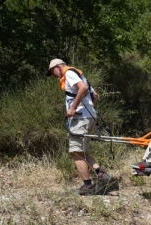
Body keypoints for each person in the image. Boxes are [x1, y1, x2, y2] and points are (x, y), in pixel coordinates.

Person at [46, 58, 111, 195]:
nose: (54, 75)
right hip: (88, 117)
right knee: (82, 152)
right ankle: (101, 173)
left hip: (80, 118)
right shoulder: (79, 74)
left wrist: (73, 108)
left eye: (52, 72)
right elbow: (95, 95)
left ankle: (88, 185)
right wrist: (89, 109)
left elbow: (84, 88)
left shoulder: (69, 73)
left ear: (58, 67)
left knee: (75, 152)